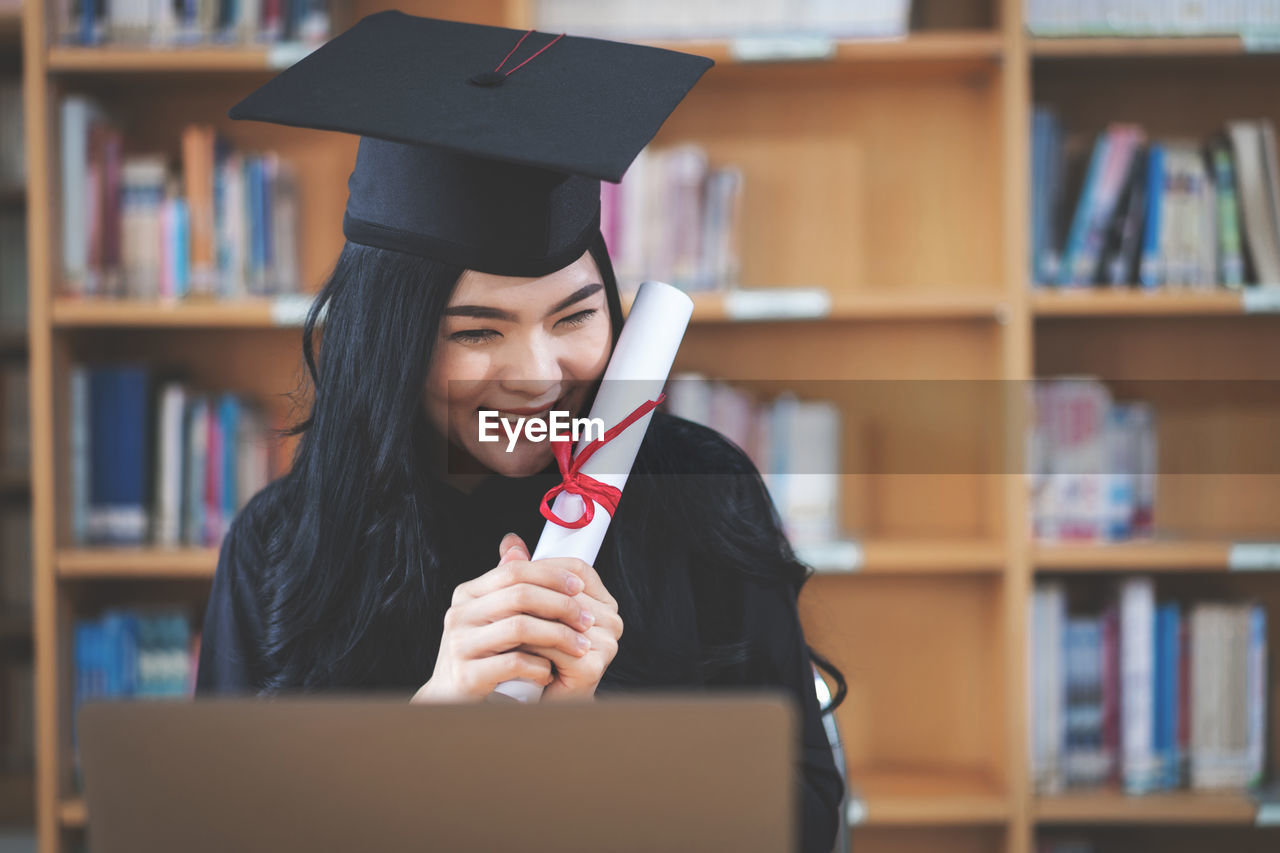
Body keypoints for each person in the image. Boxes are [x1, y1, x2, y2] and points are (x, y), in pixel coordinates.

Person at [194, 10, 845, 852]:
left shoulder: (700, 495)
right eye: (476, 331)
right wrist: (437, 723)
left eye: (574, 316)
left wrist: (584, 736)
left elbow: (800, 812)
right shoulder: (285, 546)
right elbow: (222, 825)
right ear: (394, 344)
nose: (539, 372)